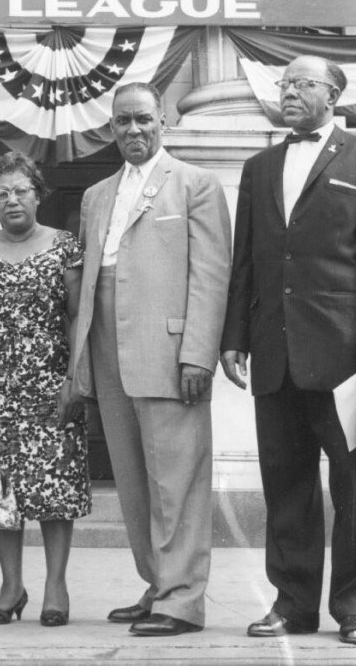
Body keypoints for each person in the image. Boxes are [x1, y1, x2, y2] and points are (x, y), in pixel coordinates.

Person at [220, 55, 356, 646]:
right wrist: (234, 338)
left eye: (302, 84)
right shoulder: (259, 166)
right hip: (273, 352)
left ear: (333, 93)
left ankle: (355, 607)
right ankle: (293, 605)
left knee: (354, 484)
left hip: (345, 356)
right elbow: (244, 260)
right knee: (286, 482)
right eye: (284, 85)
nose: (289, 92)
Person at [69, 82, 232, 637]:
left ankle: (183, 600)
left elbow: (211, 276)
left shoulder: (196, 185)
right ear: (110, 127)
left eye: (143, 119)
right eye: (122, 122)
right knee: (134, 477)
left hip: (169, 349)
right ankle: (157, 583)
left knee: (178, 479)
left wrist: (198, 355)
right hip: (107, 344)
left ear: (163, 121)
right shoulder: (96, 195)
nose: (133, 130)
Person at [0, 151, 91, 628]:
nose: (11, 200)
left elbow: (78, 315)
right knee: (2, 493)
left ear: (38, 195)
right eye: (1, 193)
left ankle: (56, 585)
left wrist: (75, 379)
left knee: (54, 491)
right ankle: (11, 587)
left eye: (21, 191)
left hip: (51, 386)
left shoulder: (64, 245)